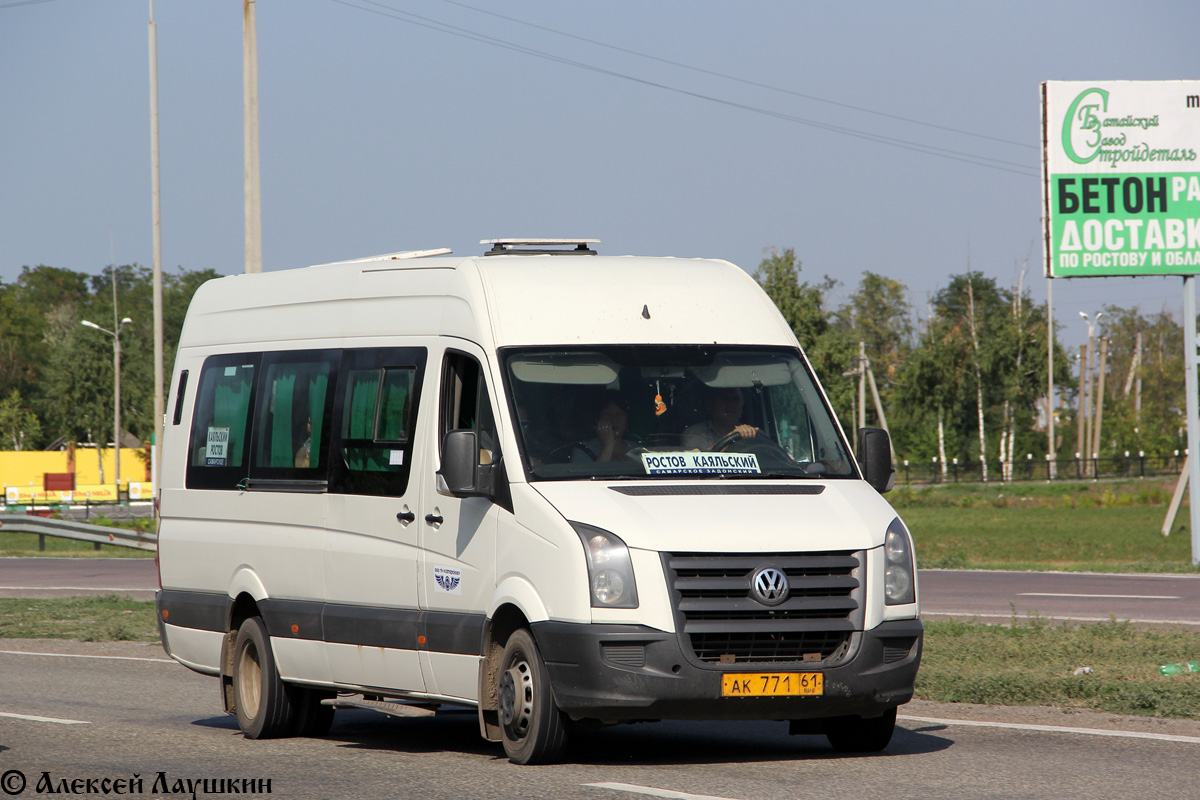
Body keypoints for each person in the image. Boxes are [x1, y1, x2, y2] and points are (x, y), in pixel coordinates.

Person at [682, 386, 759, 450]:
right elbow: (698, 461)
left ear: (742, 404)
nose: (731, 404)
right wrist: (732, 437)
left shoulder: (753, 433)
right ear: (710, 406)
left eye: (735, 399)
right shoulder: (695, 433)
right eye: (725, 399)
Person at [571, 393, 635, 462]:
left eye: (619, 414)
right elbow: (595, 472)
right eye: (607, 414)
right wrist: (608, 445)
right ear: (598, 419)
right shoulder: (583, 450)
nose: (614, 419)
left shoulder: (637, 451)